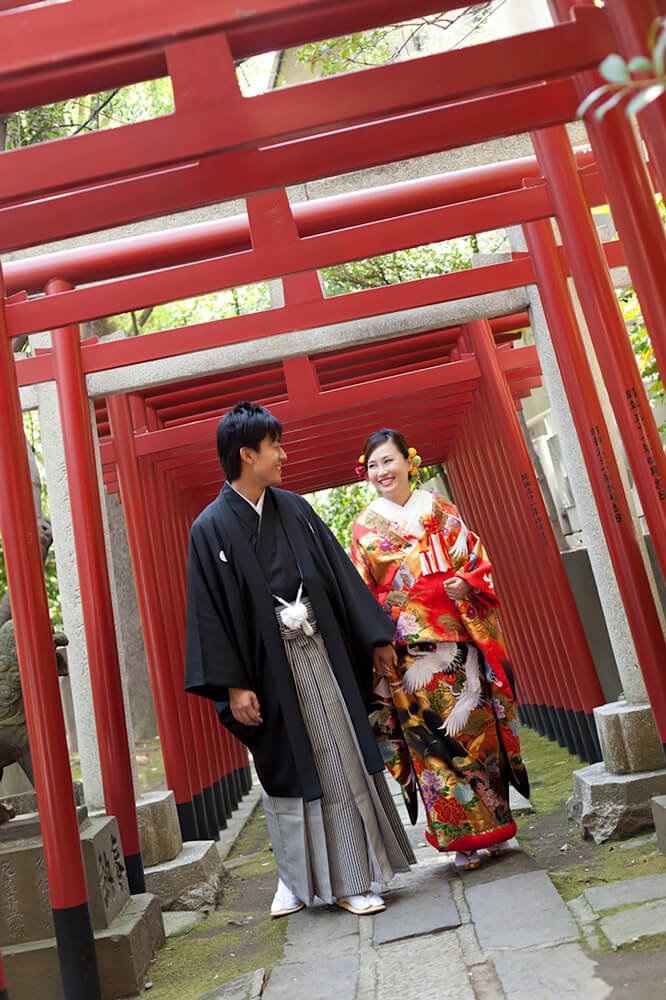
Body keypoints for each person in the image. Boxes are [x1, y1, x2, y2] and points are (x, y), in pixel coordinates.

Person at [185, 403, 414, 917]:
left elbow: (337, 575)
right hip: (266, 672)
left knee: (338, 759)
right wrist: (233, 684)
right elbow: (208, 614)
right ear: (248, 455)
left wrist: (375, 637)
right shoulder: (210, 529)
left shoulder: (294, 509)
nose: (283, 454)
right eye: (274, 447)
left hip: (320, 655)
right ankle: (295, 877)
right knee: (280, 771)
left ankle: (354, 877)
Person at [350, 428, 529, 870]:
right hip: (406, 654)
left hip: (458, 641)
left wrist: (465, 582)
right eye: (373, 465)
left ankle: (494, 826)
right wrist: (377, 642)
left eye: (388, 461)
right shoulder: (363, 528)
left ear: (410, 462)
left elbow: (474, 558)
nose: (381, 471)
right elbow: (360, 591)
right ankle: (460, 840)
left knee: (477, 734)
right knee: (432, 745)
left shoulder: (439, 509)